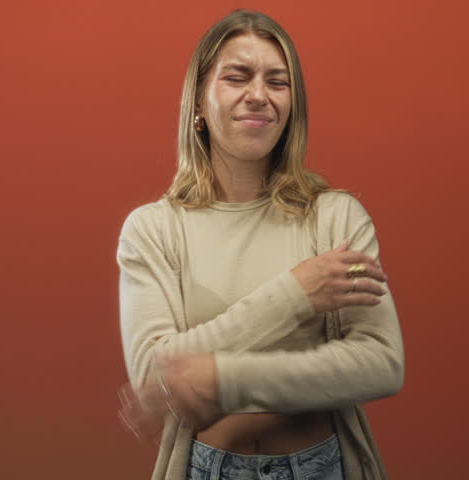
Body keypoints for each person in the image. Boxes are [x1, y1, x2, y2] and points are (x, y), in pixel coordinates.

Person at [116, 10, 404, 480]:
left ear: (293, 106)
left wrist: (221, 380)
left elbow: (380, 363)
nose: (259, 95)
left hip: (321, 468)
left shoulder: (336, 218)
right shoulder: (152, 231)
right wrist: (295, 292)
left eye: (278, 81)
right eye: (237, 77)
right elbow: (155, 375)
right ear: (198, 103)